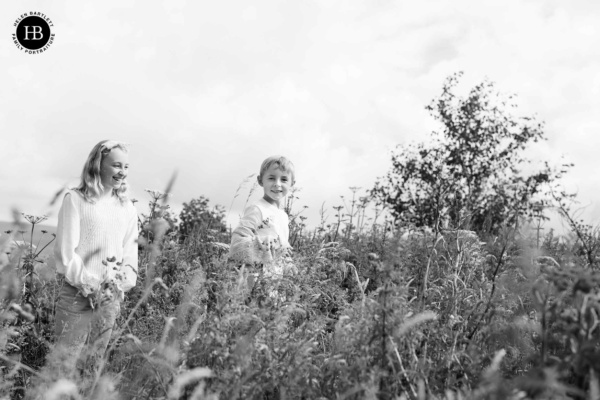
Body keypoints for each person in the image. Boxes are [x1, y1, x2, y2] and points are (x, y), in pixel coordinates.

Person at [52, 139, 138, 374]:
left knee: (91, 368)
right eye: (116, 165)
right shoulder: (76, 199)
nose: (122, 172)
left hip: (110, 299)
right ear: (98, 165)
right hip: (76, 296)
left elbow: (130, 255)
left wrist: (116, 287)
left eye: (126, 167)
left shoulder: (127, 208)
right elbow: (66, 253)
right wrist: (91, 286)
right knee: (63, 367)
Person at [229, 156, 296, 279]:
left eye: (284, 179)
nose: (277, 184)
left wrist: (289, 264)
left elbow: (282, 248)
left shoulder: (284, 216)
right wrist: (265, 241)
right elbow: (237, 242)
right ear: (260, 181)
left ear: (292, 184)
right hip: (255, 277)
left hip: (276, 279)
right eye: (271, 178)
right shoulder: (257, 209)